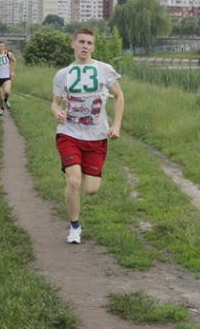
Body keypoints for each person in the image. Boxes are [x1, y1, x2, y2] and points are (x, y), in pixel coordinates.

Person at [51, 28, 125, 244]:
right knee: (73, 181)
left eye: (89, 43)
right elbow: (55, 103)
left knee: (91, 189)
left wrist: (117, 124)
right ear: (72, 44)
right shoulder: (63, 74)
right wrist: (57, 112)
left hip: (97, 136)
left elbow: (119, 96)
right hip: (69, 133)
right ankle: (74, 227)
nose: (85, 46)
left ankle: (76, 168)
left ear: (93, 47)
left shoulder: (104, 70)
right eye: (81, 42)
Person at [0, 41, 17, 116]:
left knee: (7, 92)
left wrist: (12, 71)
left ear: (4, 47)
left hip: (6, 77)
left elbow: (14, 61)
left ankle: (6, 100)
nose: (0, 48)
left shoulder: (8, 54)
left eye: (2, 46)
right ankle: (1, 108)